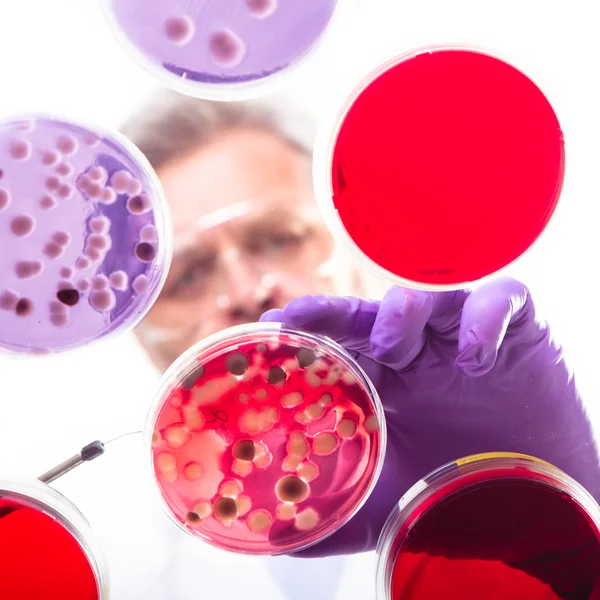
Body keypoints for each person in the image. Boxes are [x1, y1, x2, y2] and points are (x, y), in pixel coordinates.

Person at [121, 91, 600, 597]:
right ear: (140, 334)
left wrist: (577, 554)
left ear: (357, 243)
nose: (245, 291)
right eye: (187, 276)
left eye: (280, 237)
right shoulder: (122, 577)